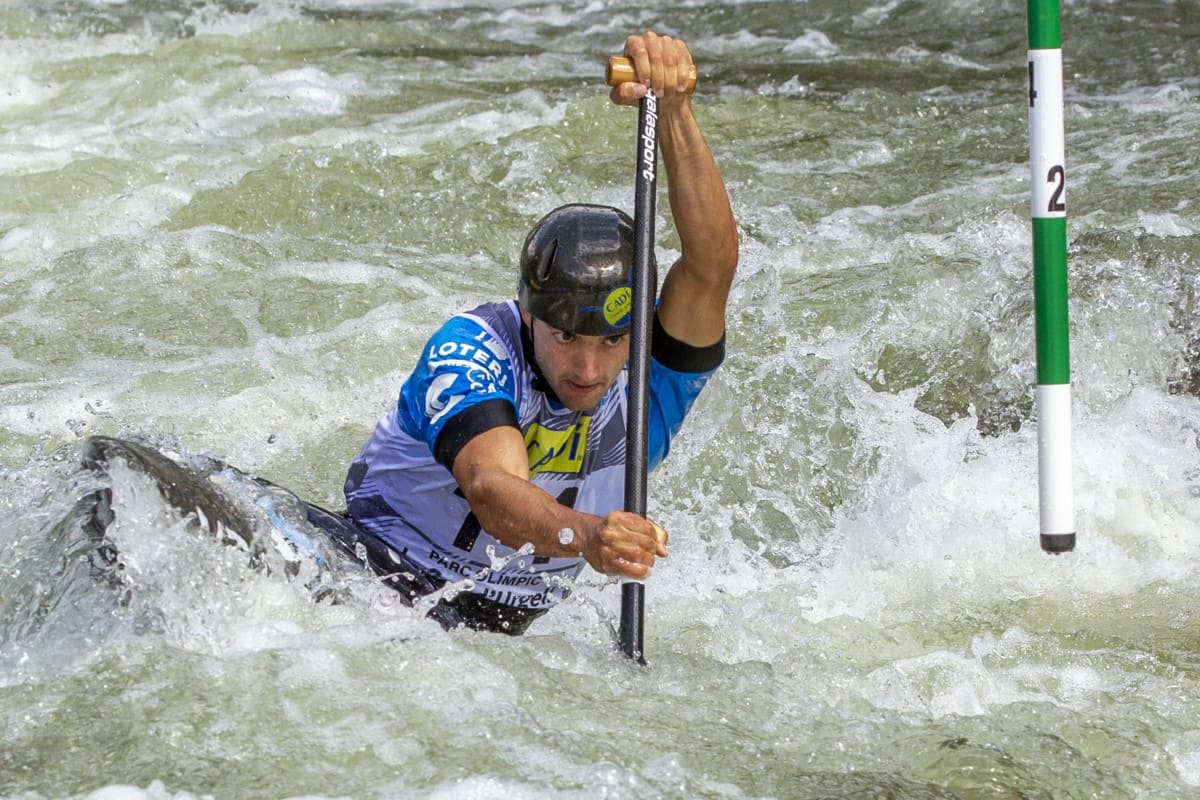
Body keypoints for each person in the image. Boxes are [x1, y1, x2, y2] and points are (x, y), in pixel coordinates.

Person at [342, 31, 738, 634]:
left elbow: (711, 264)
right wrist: (590, 538)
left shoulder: (647, 392)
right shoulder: (474, 346)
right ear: (529, 315)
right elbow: (490, 487)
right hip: (371, 576)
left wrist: (676, 110)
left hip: (508, 633)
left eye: (610, 342)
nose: (587, 370)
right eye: (565, 337)